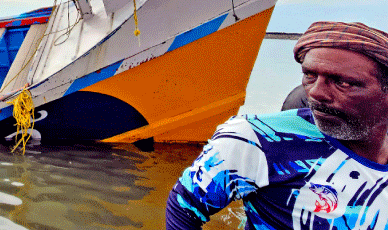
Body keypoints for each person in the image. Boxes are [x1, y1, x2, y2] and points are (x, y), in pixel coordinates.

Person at [166, 21, 388, 229]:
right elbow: (183, 208)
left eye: (343, 83)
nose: (316, 93)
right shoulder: (256, 138)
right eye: (309, 76)